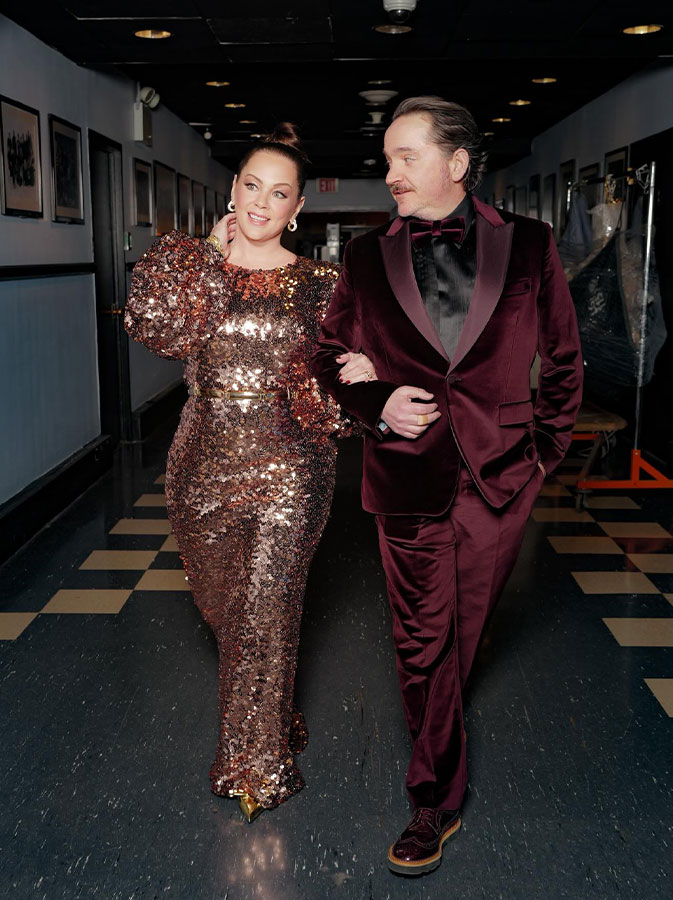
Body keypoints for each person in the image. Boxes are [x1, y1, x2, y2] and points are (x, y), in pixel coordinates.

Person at [312, 97, 583, 875]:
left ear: (458, 163)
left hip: (502, 477)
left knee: (461, 638)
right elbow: (327, 354)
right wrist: (375, 401)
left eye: (406, 157)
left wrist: (542, 456)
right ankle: (432, 800)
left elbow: (564, 359)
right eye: (388, 158)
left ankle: (438, 756)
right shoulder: (366, 258)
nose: (390, 172)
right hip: (405, 478)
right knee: (421, 641)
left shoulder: (528, 245)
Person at [125, 124, 376, 823]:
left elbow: (349, 370)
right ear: (232, 189)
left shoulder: (321, 284)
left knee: (269, 608)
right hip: (201, 458)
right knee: (227, 609)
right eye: (252, 186)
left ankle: (253, 764)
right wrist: (207, 252)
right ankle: (273, 709)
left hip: (291, 464)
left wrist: (359, 373)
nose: (263, 203)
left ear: (297, 208)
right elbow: (155, 325)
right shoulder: (195, 269)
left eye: (280, 193)